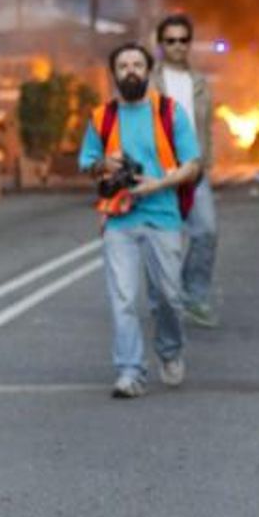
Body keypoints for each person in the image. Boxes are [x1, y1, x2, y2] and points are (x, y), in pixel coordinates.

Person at [80, 43, 201, 399]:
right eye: (123, 65)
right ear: (114, 74)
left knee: (169, 296)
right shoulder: (101, 117)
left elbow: (193, 164)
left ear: (148, 70)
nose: (130, 70)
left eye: (137, 64)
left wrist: (157, 184)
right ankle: (130, 371)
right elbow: (87, 162)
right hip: (119, 220)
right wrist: (106, 163)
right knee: (123, 298)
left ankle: (170, 349)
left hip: (163, 217)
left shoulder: (169, 112)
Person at [150, 12, 220, 329]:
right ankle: (164, 302)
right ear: (161, 44)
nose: (177, 46)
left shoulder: (199, 82)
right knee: (165, 243)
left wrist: (207, 161)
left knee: (206, 232)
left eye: (183, 40)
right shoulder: (149, 82)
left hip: (195, 170)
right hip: (161, 172)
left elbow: (206, 126)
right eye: (171, 41)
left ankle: (195, 298)